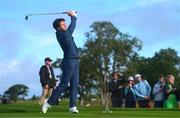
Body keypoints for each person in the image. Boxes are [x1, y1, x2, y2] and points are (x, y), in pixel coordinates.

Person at [42, 11, 79, 113]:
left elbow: (69, 28)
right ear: (58, 28)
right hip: (69, 62)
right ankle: (48, 102)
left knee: (75, 84)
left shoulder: (65, 32)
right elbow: (72, 28)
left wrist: (72, 16)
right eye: (63, 24)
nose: (65, 25)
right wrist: (73, 17)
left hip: (75, 61)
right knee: (64, 84)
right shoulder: (61, 34)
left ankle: (72, 107)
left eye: (64, 23)